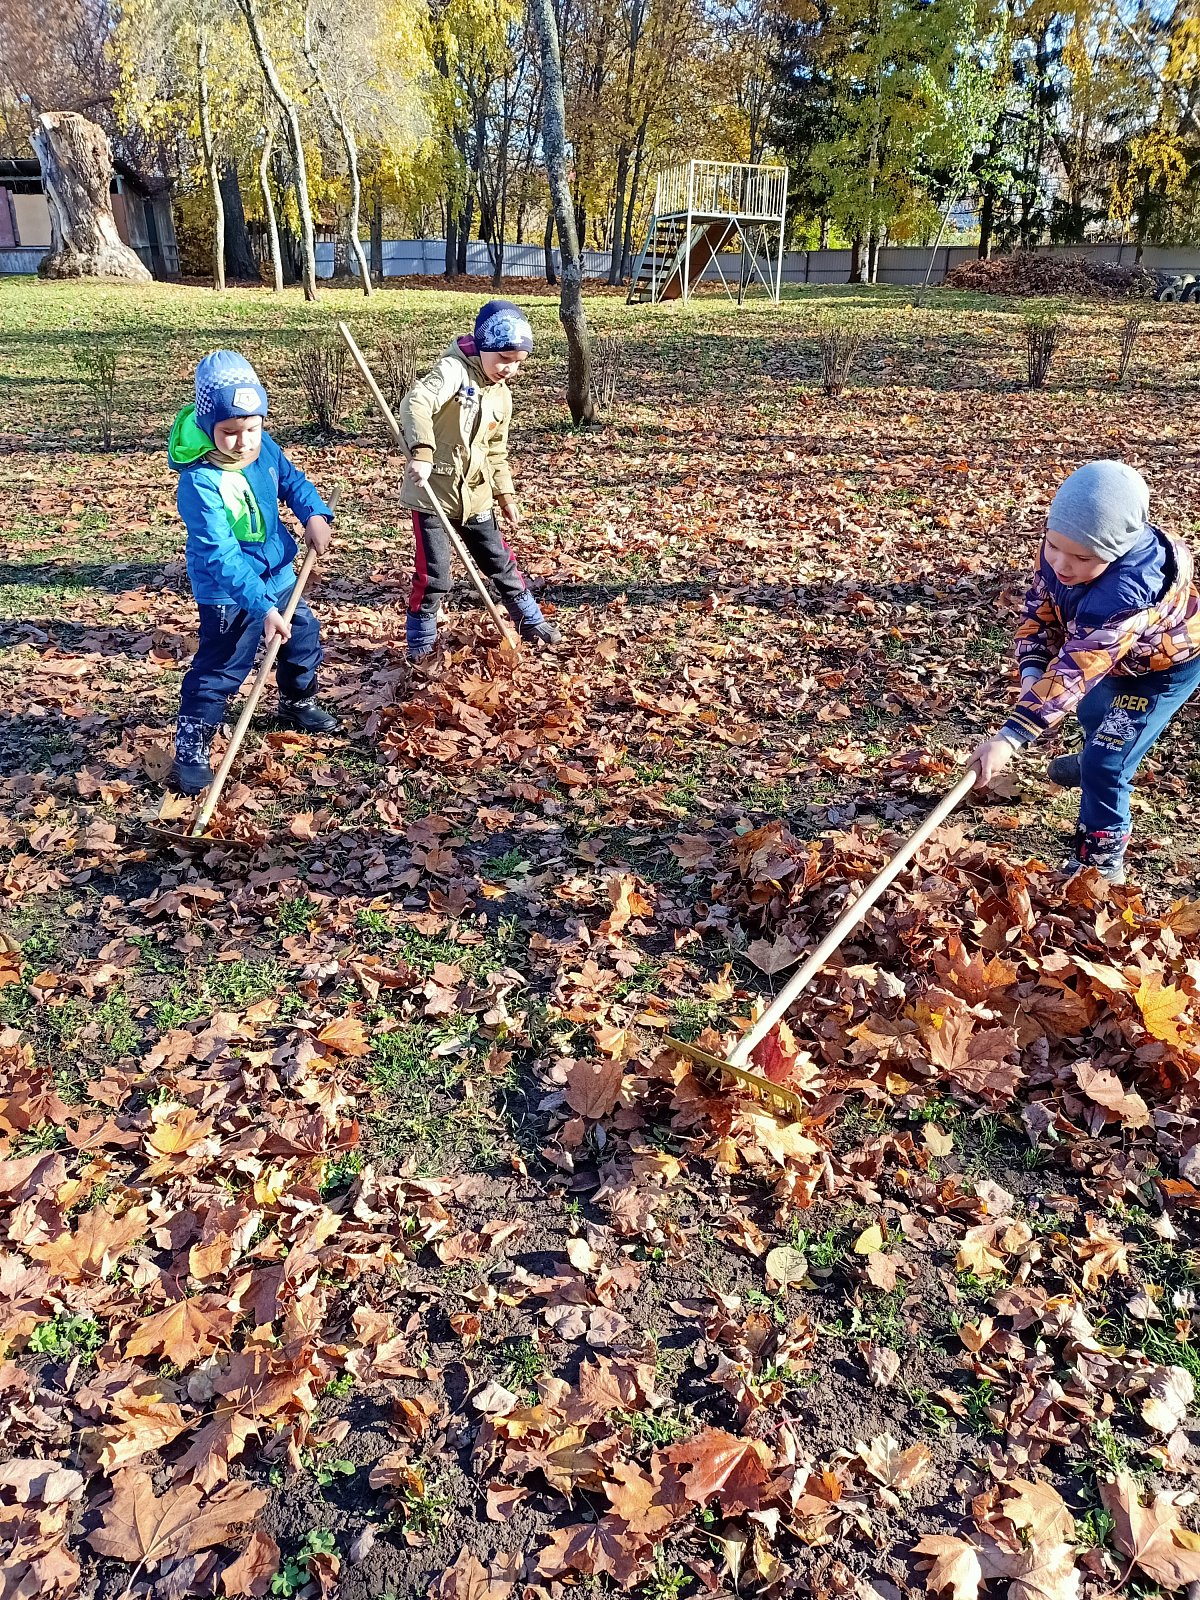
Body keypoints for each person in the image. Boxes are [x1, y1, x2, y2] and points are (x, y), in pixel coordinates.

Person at [971, 459, 1200, 884]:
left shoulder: (1128, 595)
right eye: (1053, 545)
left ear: (1116, 553)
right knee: (1093, 715)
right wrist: (1032, 671)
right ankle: (1090, 761)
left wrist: (1011, 736)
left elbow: (1078, 669)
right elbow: (1040, 613)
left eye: (1081, 557)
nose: (1061, 564)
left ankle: (1101, 858)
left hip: (1160, 671)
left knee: (1109, 760)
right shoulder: (1061, 552)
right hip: (1108, 663)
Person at [167, 350, 339, 796]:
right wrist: (262, 608)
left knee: (302, 634)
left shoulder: (264, 449)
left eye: (252, 429)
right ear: (208, 425)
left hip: (278, 574)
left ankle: (297, 701)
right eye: (229, 432)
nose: (243, 442)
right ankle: (191, 749)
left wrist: (314, 513)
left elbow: (292, 482)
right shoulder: (200, 481)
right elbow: (221, 555)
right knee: (223, 666)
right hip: (227, 590)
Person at [398, 298, 560, 661]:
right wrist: (422, 452)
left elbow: (496, 450)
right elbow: (416, 402)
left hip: (476, 495)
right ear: (484, 346)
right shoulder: (453, 371)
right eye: (503, 358)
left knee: (499, 562)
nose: (509, 369)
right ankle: (421, 644)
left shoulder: (502, 396)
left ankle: (530, 621)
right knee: (435, 576)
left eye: (518, 362)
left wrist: (505, 495)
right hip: (433, 494)